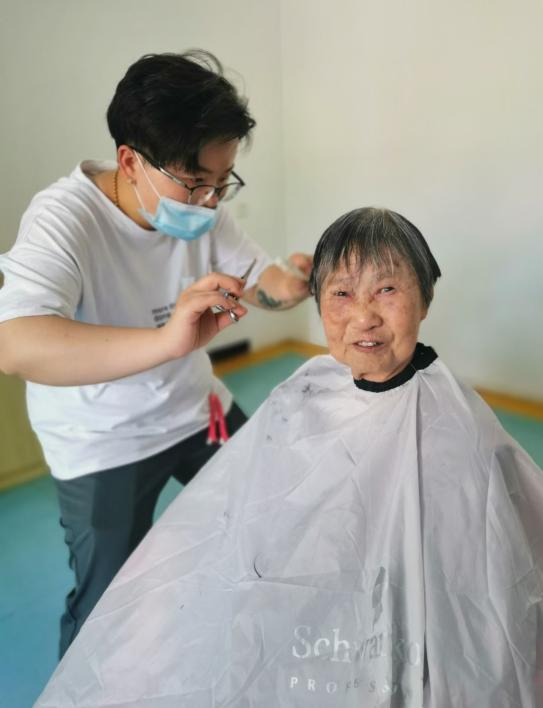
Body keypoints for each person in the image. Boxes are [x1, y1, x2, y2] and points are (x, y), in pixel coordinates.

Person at [35, 208, 543, 707]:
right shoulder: (301, 395)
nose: (364, 315)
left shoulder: (462, 428)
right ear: (319, 303)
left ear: (425, 298)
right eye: (341, 293)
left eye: (387, 290)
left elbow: (493, 575)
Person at [0, 50, 312, 658]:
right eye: (196, 183)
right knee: (105, 613)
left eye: (223, 183)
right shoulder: (64, 220)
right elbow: (16, 344)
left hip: (198, 412)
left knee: (270, 518)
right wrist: (167, 342)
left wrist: (295, 282)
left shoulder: (205, 209)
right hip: (101, 440)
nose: (210, 201)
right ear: (129, 161)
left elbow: (258, 282)